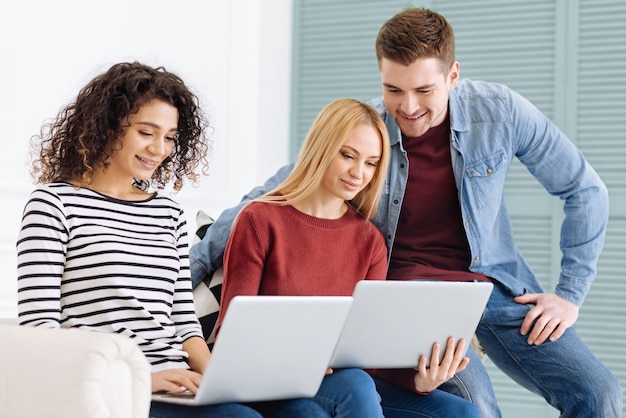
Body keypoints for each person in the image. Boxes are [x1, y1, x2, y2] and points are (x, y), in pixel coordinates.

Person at [190, 7, 624, 418]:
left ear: (453, 75)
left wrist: (570, 294)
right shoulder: (370, 131)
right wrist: (177, 276)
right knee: (478, 406)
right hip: (411, 299)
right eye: (393, 89)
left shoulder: (500, 113)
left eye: (424, 90)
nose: (409, 107)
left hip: (492, 287)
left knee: (600, 392)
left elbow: (585, 189)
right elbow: (275, 192)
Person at [16, 61, 329, 418]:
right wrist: (143, 380)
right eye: (146, 132)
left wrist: (219, 382)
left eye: (169, 136)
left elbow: (183, 321)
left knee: (307, 412)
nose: (159, 149)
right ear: (108, 126)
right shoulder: (53, 205)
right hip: (115, 389)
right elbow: (39, 333)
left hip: (180, 380)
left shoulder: (168, 213)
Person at [217, 97, 479, 418]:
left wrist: (420, 381)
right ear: (322, 148)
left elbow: (368, 353)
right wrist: (297, 359)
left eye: (371, 162)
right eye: (348, 155)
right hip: (274, 382)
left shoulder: (369, 240)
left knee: (459, 412)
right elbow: (232, 332)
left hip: (347, 382)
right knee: (348, 388)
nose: (359, 173)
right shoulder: (260, 220)